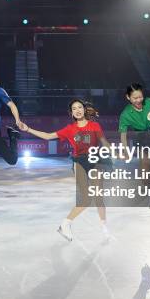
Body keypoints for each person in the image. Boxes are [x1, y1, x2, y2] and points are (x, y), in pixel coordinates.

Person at [20, 100, 111, 242]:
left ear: (84, 109)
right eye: (74, 109)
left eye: (80, 107)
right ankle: (65, 223)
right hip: (79, 162)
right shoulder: (69, 129)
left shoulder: (94, 125)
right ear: (72, 113)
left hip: (95, 161)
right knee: (86, 199)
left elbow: (104, 143)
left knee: (99, 197)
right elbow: (48, 136)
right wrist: (28, 129)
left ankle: (104, 227)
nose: (78, 110)